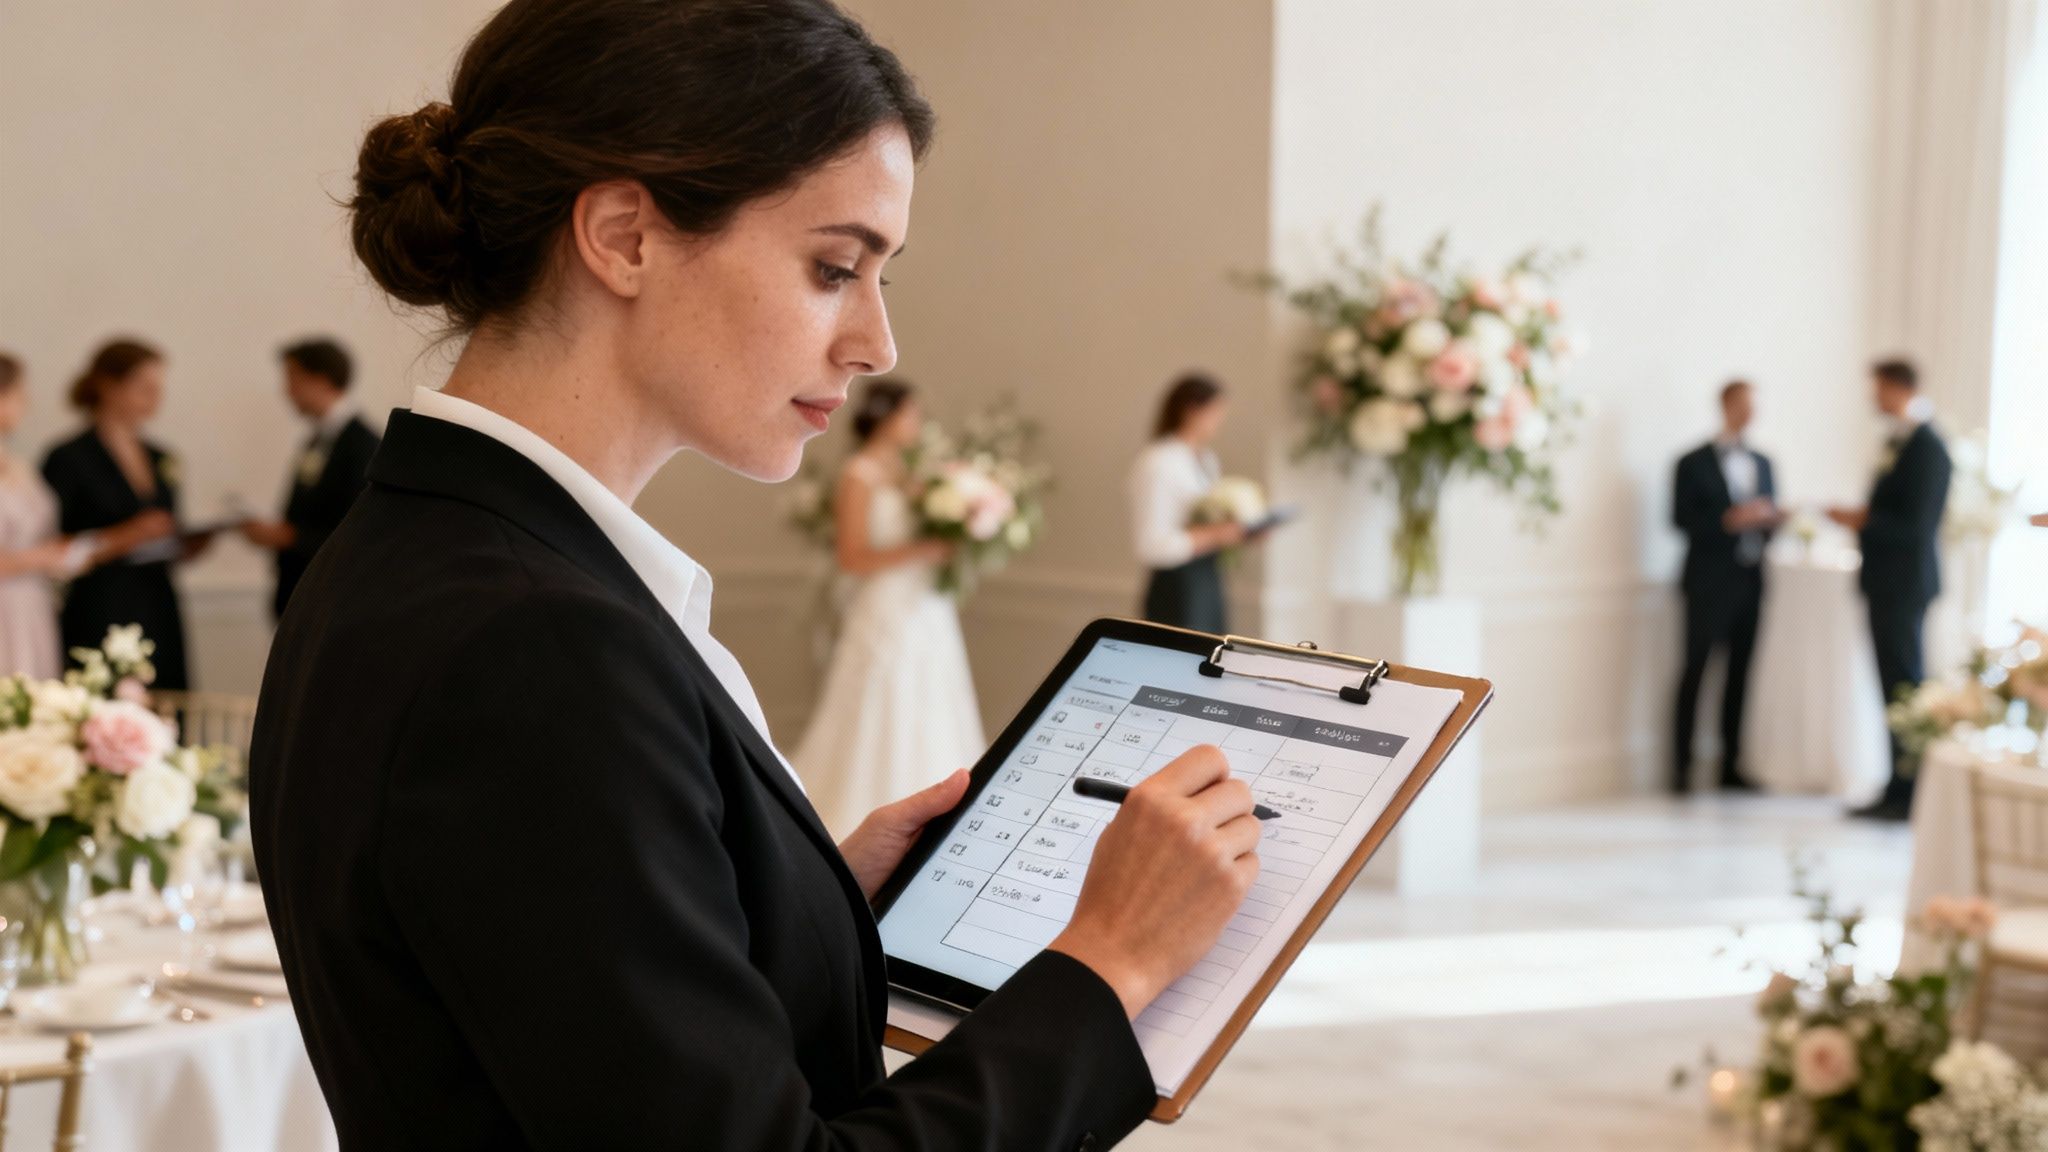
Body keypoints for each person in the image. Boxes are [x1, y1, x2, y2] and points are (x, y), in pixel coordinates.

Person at [249, 3, 1260, 1148]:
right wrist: (1110, 962)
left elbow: (551, 1015)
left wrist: (794, 898)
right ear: (624, 236)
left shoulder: (411, 544)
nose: (875, 343)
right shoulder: (534, 648)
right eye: (834, 267)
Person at [790, 379, 984, 838]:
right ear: (888, 417)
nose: (917, 422)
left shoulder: (911, 473)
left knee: (932, 695)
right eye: (911, 413)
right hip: (885, 606)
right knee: (882, 697)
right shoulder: (859, 474)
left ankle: (944, 800)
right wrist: (922, 551)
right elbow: (851, 557)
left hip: (926, 607)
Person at [1828, 358, 1951, 822]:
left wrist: (1863, 521)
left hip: (1904, 583)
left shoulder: (1927, 448)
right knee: (1893, 685)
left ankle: (1909, 790)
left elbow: (1917, 526)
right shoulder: (1898, 442)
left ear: (1899, 388)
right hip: (1886, 582)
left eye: (1878, 389)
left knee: (1905, 687)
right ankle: (1897, 785)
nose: (1873, 398)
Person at [40, 339, 202, 689]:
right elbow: (52, 545)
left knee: (167, 698)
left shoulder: (161, 457)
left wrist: (188, 543)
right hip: (101, 603)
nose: (155, 397)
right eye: (144, 387)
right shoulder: (69, 458)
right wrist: (127, 535)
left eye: (159, 388)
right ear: (109, 386)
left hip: (157, 601)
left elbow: (169, 529)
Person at [1670, 379, 1779, 794]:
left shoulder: (1764, 462)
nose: (1750, 413)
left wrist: (1770, 520)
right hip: (1707, 582)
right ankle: (1681, 767)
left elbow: (1770, 515)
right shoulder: (1691, 462)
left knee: (1741, 674)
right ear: (1726, 405)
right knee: (1695, 671)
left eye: (1755, 406)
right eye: (1744, 405)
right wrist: (1728, 520)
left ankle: (1731, 766)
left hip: (1751, 579)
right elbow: (1679, 519)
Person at [240, 338, 381, 619]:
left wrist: (286, 536)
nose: (286, 391)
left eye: (293, 379)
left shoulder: (362, 445)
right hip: (304, 592)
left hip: (334, 601)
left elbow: (357, 533)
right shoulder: (318, 439)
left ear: (322, 380)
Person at [0, 354, 103, 678]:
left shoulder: (18, 466)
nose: (26, 403)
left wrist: (64, 555)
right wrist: (40, 557)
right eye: (19, 393)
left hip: (33, 603)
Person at [1130, 372, 1246, 634]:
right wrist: (1215, 535)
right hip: (1176, 590)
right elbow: (1151, 545)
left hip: (1208, 581)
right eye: (1215, 412)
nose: (1219, 421)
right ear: (1191, 410)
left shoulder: (1207, 460)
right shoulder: (1158, 462)